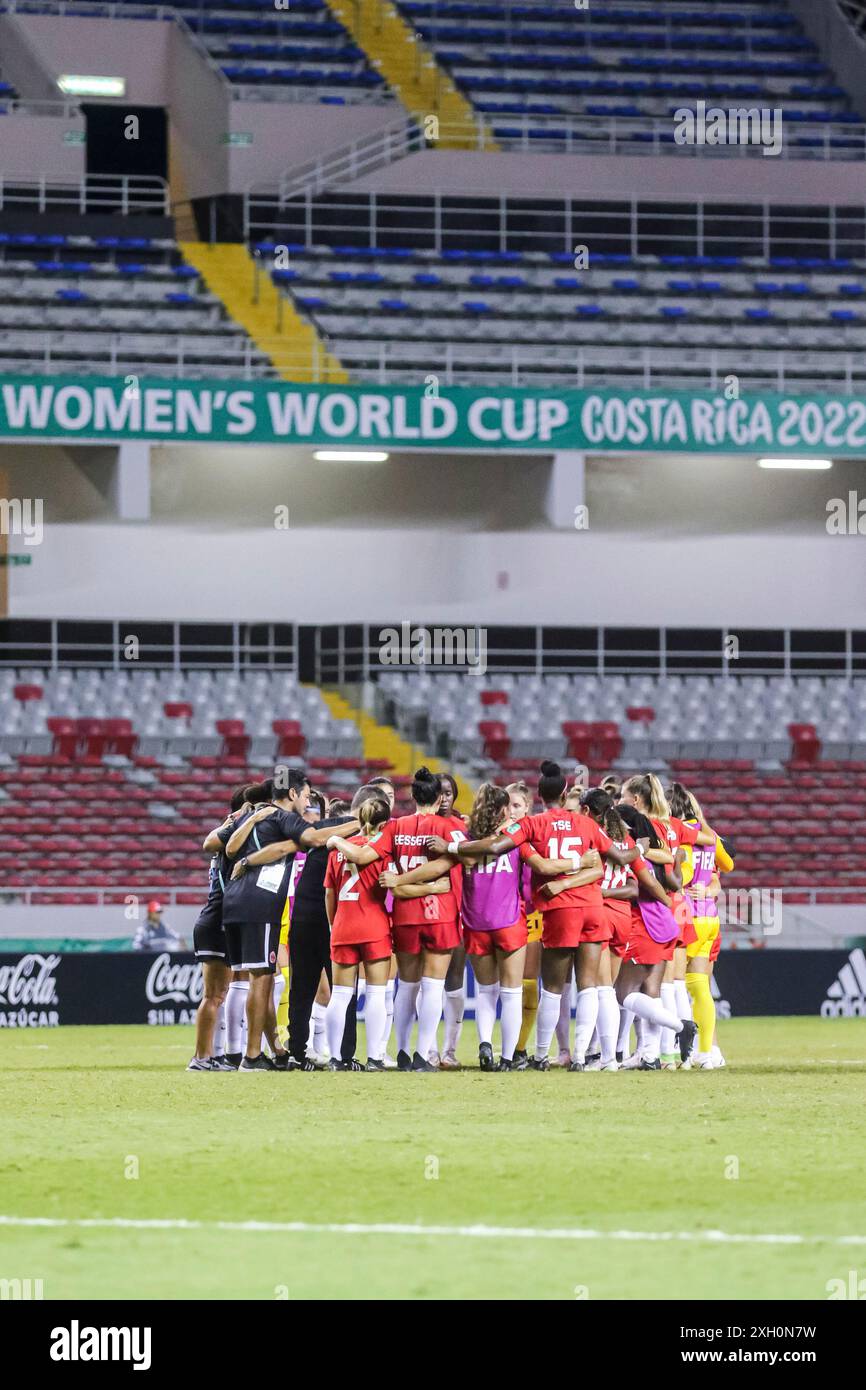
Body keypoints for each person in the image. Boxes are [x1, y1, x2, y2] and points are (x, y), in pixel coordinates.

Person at [452, 761, 637, 1070]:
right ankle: (580, 1057)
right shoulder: (587, 823)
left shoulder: (532, 824)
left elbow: (498, 846)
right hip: (592, 907)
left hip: (559, 909)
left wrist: (454, 846)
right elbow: (619, 856)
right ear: (565, 794)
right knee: (589, 985)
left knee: (552, 988)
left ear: (538, 795)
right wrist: (640, 850)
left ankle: (541, 1054)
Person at [329, 767, 465, 1071]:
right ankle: (422, 1055)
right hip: (439, 912)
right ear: (438, 797)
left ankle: (402, 1052)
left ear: (412, 796)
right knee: (433, 986)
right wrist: (425, 884)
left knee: (407, 985)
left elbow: (364, 856)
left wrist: (401, 882)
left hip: (404, 915)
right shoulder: (450, 827)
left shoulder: (394, 826)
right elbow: (456, 859)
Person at [221, 771, 359, 1072]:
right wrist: (359, 822)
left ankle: (272, 1050)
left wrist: (249, 857)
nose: (308, 800)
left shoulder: (251, 815)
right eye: (306, 795)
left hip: (234, 902)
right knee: (261, 981)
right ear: (293, 794)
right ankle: (252, 1055)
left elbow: (227, 848)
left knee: (260, 979)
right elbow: (317, 837)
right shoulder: (285, 818)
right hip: (260, 903)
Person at [188, 784, 258, 1072]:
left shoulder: (226, 837)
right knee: (214, 995)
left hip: (217, 919)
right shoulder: (232, 837)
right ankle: (201, 1058)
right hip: (217, 921)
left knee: (220, 993)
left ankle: (211, 1056)